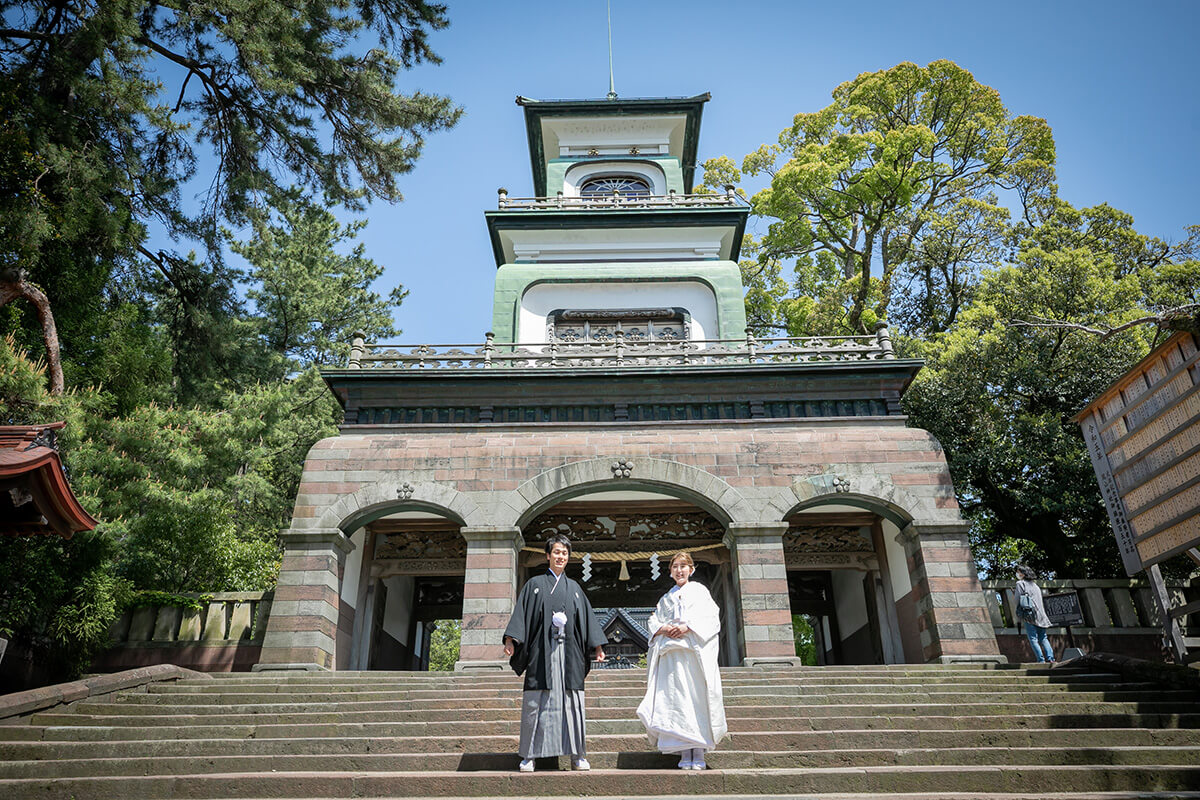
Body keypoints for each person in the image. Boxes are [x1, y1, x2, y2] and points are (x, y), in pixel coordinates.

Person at [503, 535, 607, 772]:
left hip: (570, 654)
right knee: (535, 702)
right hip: (542, 653)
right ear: (548, 555)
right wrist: (511, 639)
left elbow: (587, 620)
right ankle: (529, 755)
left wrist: (598, 646)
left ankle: (577, 755)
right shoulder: (535, 585)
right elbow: (522, 615)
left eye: (565, 553)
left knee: (573, 703)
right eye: (557, 552)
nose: (561, 556)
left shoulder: (575, 589)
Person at [636, 551, 727, 770]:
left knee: (695, 701)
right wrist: (664, 627)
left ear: (691, 569)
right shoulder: (666, 597)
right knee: (676, 703)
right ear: (670, 572)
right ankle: (684, 751)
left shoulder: (700, 592)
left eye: (684, 566)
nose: (680, 570)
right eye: (675, 566)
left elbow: (711, 618)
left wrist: (688, 626)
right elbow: (654, 620)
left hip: (692, 654)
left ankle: (699, 751)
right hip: (672, 657)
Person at [1015, 564, 1055, 663]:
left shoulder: (1020, 584)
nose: (1017, 573)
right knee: (1043, 638)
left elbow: (1017, 600)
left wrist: (1018, 612)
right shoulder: (1035, 585)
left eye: (1019, 572)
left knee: (1033, 639)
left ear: (1023, 573)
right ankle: (1050, 658)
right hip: (1041, 615)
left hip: (1029, 615)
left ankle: (1041, 660)